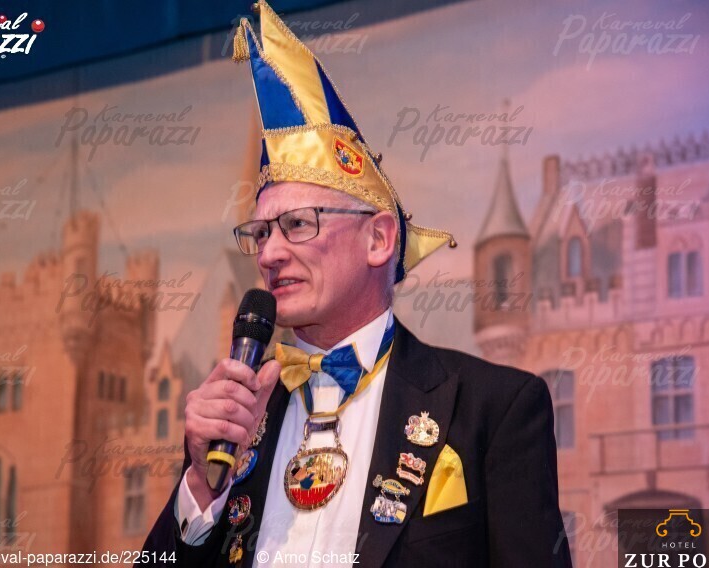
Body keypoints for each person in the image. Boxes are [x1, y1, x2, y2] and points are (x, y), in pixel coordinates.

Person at [139, 2, 573, 566]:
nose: (269, 253)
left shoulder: (493, 407)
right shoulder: (239, 420)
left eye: (298, 224)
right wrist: (201, 485)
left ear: (378, 239)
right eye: (260, 232)